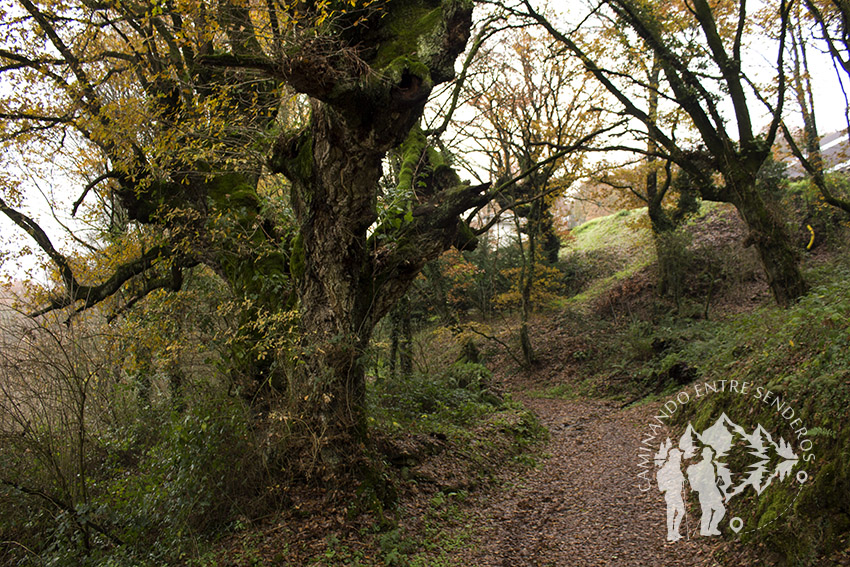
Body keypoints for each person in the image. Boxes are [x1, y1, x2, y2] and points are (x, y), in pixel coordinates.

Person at [686, 446, 726, 536]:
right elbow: (700, 481)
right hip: (705, 493)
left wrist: (717, 482)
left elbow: (711, 481)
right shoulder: (702, 467)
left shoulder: (711, 466)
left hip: (711, 492)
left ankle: (712, 528)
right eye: (707, 455)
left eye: (710, 455)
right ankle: (705, 530)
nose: (709, 456)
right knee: (708, 511)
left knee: (719, 510)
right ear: (704, 456)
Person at [657, 447, 686, 542]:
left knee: (680, 511)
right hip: (671, 493)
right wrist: (664, 486)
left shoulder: (676, 466)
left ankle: (675, 532)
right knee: (672, 513)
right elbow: (660, 474)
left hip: (676, 493)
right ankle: (671, 534)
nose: (680, 458)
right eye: (678, 456)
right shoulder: (669, 466)